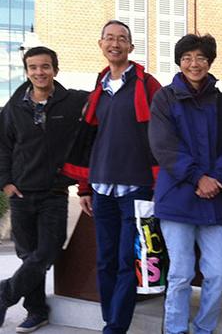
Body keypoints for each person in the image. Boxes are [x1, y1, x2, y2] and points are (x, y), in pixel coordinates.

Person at [63, 20, 161, 334]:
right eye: (109, 38)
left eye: (122, 39)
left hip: (137, 190)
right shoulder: (98, 88)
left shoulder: (147, 85)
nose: (115, 43)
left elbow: (161, 135)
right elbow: (88, 140)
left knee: (124, 262)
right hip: (102, 188)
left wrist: (160, 185)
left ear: (131, 47)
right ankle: (111, 319)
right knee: (104, 260)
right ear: (101, 44)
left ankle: (115, 327)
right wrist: (84, 188)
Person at [148, 33, 222, 334]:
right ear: (179, 62)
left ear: (209, 62)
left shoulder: (221, 101)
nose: (194, 63)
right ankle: (175, 329)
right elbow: (163, 145)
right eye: (187, 58)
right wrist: (197, 177)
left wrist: (216, 179)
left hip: (214, 199)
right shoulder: (164, 98)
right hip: (177, 197)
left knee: (218, 274)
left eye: (201, 57)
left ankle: (203, 328)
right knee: (179, 273)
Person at [0, 46, 87, 332]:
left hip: (55, 192)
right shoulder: (14, 107)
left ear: (55, 69)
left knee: (47, 250)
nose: (40, 72)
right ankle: (36, 311)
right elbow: (4, 146)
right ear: (26, 71)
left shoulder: (72, 101)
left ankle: (5, 294)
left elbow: (104, 105)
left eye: (45, 66)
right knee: (28, 256)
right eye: (33, 67)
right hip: (21, 193)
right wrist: (6, 183)